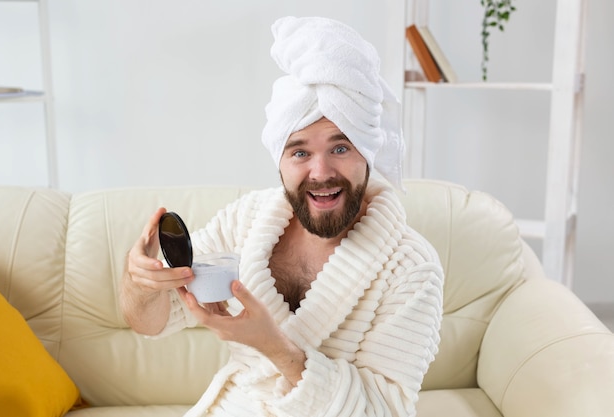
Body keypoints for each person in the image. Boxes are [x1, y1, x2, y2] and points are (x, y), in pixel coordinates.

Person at [120, 16, 443, 417]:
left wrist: (275, 347)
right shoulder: (248, 221)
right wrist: (142, 283)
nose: (321, 172)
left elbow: (385, 412)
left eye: (341, 148)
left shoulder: (412, 268)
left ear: (368, 152)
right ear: (280, 159)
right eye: (300, 152)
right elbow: (150, 322)